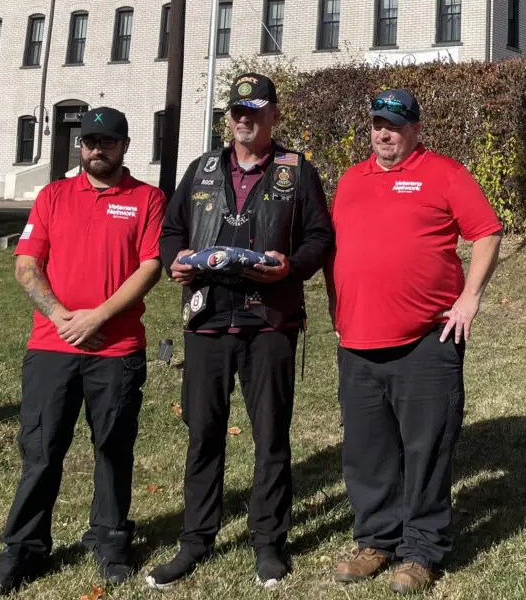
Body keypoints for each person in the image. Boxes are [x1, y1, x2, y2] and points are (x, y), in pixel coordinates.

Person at [147, 73, 334, 590]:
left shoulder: (297, 171)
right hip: (208, 320)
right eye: (237, 111)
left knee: (271, 435)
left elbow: (322, 237)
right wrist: (174, 261)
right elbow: (172, 231)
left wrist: (291, 266)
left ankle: (269, 541)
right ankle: (196, 539)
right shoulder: (202, 168)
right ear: (227, 117)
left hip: (270, 320)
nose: (244, 119)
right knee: (203, 433)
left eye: (255, 110)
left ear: (274, 115)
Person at [0, 108, 165, 595]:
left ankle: (109, 538)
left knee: (112, 447)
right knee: (41, 450)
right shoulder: (52, 196)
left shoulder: (147, 199)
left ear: (124, 145)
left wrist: (98, 315)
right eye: (89, 142)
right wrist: (62, 315)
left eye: (107, 142)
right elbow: (26, 265)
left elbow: (150, 267)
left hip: (116, 347)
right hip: (51, 346)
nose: (96, 150)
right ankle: (23, 547)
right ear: (79, 146)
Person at [329, 89, 502, 595]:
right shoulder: (350, 180)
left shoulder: (444, 173)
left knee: (426, 449)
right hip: (358, 341)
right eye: (378, 124)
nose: (385, 134)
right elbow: (339, 248)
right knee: (367, 450)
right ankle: (375, 541)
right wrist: (336, 304)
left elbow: (487, 232)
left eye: (396, 125)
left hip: (427, 341)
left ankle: (422, 549)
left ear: (416, 130)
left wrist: (469, 298)